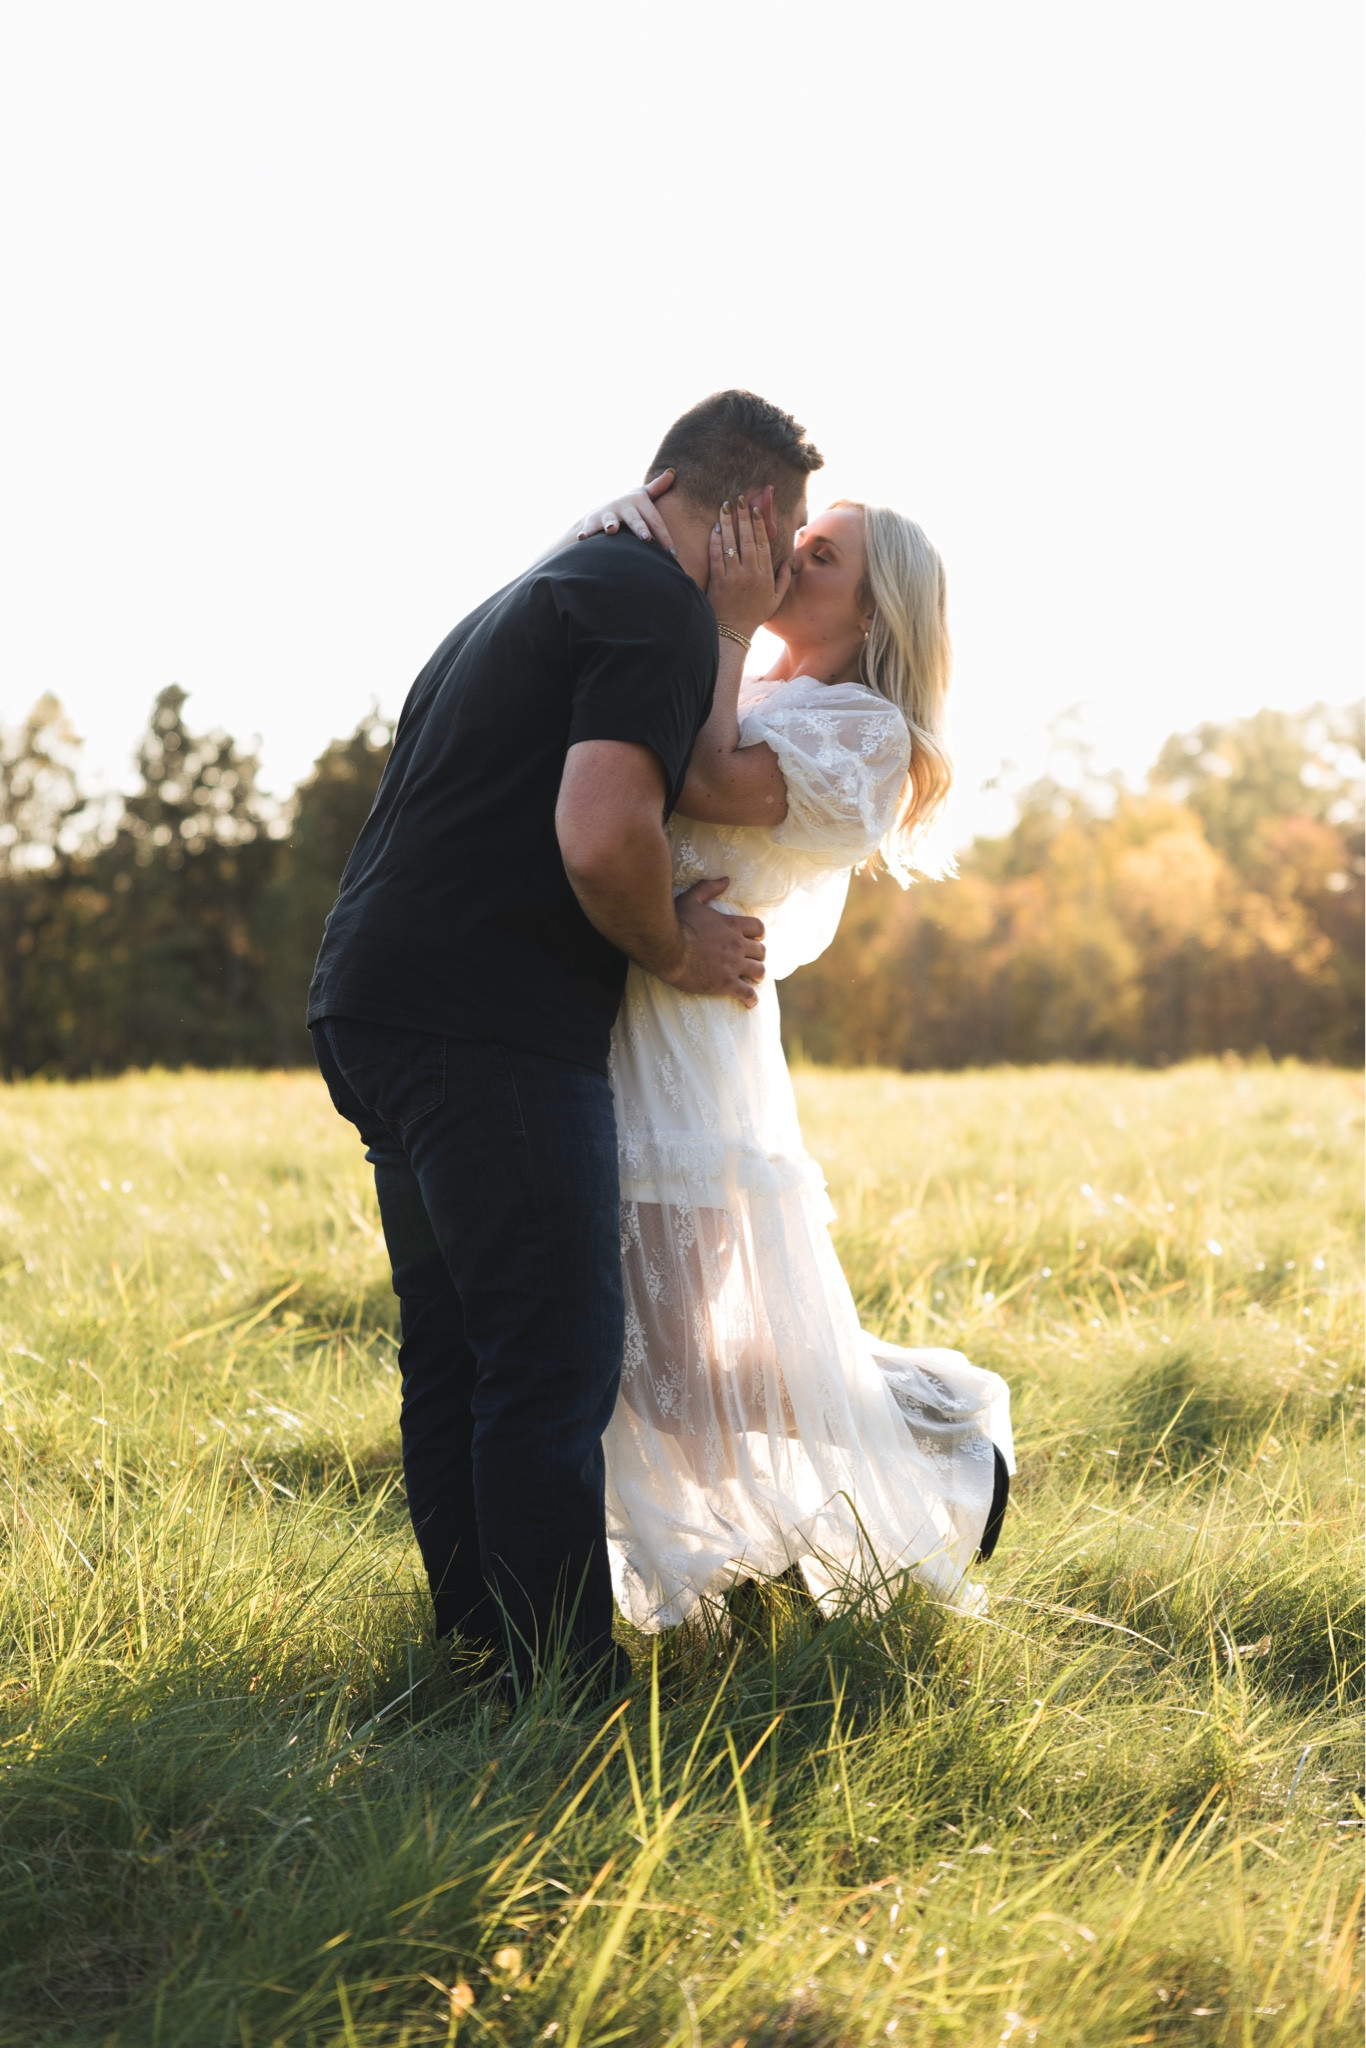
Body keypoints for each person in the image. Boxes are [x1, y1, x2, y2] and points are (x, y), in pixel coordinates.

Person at [306, 391, 823, 1695]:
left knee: (463, 1351)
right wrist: (673, 946)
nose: (780, 567)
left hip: (374, 1006)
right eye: (789, 533)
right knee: (548, 1362)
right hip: (486, 1030)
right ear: (748, 513)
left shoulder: (548, 583)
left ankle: (481, 1667)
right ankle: (558, 1696)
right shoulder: (651, 606)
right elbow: (602, 833)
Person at [573, 476, 1014, 1629]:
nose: (781, 554)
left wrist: (718, 608)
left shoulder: (866, 735)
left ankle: (936, 1415)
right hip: (617, 1006)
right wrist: (628, 524)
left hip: (688, 1042)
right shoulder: (755, 675)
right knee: (639, 1352)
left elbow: (709, 774)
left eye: (815, 555)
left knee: (665, 1370)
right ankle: (748, 1562)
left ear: (872, 616)